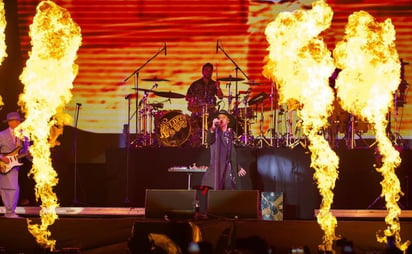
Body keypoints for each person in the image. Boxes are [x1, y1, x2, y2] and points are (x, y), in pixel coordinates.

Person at [200, 110, 246, 190]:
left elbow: (230, 155)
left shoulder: (229, 136)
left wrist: (237, 167)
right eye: (219, 117)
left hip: (228, 176)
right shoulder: (215, 133)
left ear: (228, 121)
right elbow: (210, 140)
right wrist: (213, 127)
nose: (221, 119)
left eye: (223, 117)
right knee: (208, 197)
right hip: (215, 175)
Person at [186, 63, 224, 147]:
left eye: (210, 71)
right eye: (206, 70)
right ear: (203, 72)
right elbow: (187, 97)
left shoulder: (214, 84)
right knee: (194, 126)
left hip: (210, 111)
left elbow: (221, 96)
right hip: (198, 111)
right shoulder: (195, 84)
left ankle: (213, 144)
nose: (208, 72)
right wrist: (193, 101)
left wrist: (218, 87)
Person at [0, 112, 30, 218]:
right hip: (4, 165)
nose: (18, 122)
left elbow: (26, 151)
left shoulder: (24, 135)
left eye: (19, 120)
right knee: (8, 188)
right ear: (9, 122)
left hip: (17, 165)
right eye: (15, 120)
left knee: (13, 187)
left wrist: (32, 154)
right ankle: (9, 212)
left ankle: (10, 211)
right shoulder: (2, 135)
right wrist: (2, 158)